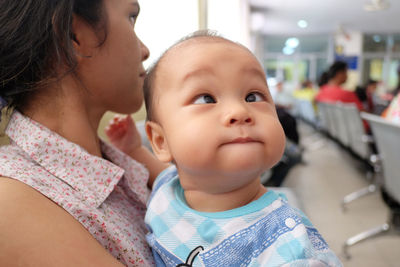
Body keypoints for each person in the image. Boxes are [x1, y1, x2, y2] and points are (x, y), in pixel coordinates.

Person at [108, 31, 342, 266]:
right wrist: (133, 148)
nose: (240, 112)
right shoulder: (170, 187)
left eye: (252, 97)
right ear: (161, 142)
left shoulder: (288, 251)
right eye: (206, 99)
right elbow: (159, 172)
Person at [0, 0, 168, 266]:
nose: (145, 51)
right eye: (131, 18)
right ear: (73, 35)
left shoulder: (123, 169)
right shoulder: (12, 202)